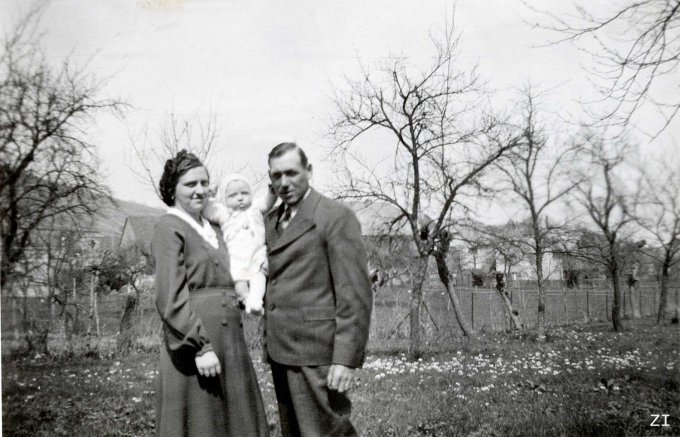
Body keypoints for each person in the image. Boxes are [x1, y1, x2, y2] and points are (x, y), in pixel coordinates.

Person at [151, 150, 269, 437]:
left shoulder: (216, 227)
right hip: (195, 345)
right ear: (172, 189)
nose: (200, 190)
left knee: (235, 422)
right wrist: (199, 347)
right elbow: (170, 298)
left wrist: (258, 265)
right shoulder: (169, 227)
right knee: (202, 422)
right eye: (190, 184)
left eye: (204, 183)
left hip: (230, 341)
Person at [263, 142, 373, 437]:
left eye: (292, 173)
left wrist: (345, 359)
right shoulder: (270, 222)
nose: (284, 183)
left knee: (328, 432)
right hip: (281, 350)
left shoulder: (335, 217)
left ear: (308, 171)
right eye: (276, 176)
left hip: (318, 352)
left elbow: (355, 294)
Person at [203, 173, 276, 315]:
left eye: (245, 193)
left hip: (257, 256)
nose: (240, 197)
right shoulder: (223, 213)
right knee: (240, 284)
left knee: (259, 278)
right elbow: (208, 211)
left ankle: (256, 300)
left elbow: (267, 203)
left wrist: (272, 192)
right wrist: (210, 197)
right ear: (224, 199)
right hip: (237, 258)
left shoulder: (255, 208)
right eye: (233, 195)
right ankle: (246, 299)